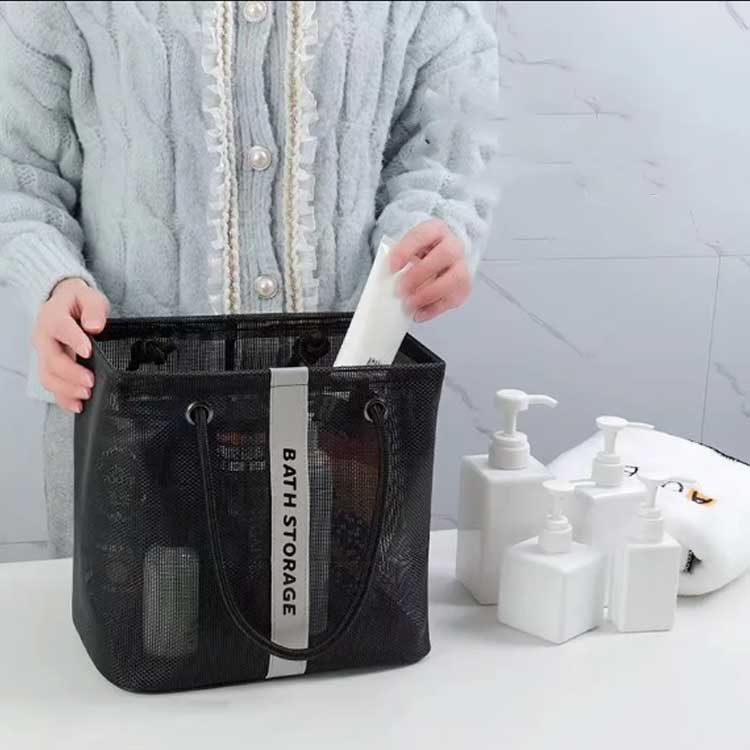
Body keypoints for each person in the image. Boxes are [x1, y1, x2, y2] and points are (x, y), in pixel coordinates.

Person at [0, 1, 498, 557]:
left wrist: (434, 229)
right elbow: (16, 171)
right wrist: (52, 281)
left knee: (340, 605)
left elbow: (450, 143)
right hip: (133, 426)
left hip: (344, 420)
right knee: (148, 608)